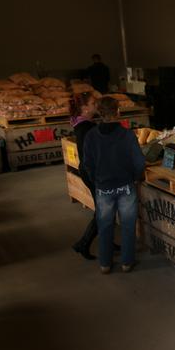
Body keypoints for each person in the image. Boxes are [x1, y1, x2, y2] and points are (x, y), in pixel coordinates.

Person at [83, 97, 145, 274]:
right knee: (127, 224)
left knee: (105, 225)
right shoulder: (127, 135)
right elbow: (139, 162)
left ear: (99, 113)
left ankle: (105, 264)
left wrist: (97, 180)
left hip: (103, 187)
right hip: (126, 186)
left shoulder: (91, 136)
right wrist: (135, 177)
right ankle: (127, 262)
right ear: (118, 112)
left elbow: (87, 163)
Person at [70, 92, 98, 260]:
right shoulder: (87, 128)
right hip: (92, 172)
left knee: (103, 210)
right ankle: (83, 244)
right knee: (103, 212)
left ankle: (107, 241)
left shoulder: (82, 125)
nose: (96, 104)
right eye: (93, 102)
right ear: (85, 108)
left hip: (87, 171)